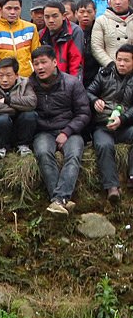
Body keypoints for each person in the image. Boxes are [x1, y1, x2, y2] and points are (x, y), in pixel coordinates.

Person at [28, 46, 90, 215]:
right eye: (36, 64)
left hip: (69, 129)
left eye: (43, 62)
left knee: (74, 155)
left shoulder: (71, 83)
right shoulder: (29, 84)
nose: (40, 67)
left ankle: (58, 199)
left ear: (54, 62)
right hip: (43, 131)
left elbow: (84, 113)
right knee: (42, 153)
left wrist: (67, 132)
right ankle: (61, 200)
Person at [87, 44, 133, 201]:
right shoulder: (104, 74)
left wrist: (123, 119)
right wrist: (94, 101)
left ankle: (132, 176)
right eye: (119, 60)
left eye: (126, 61)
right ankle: (111, 187)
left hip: (126, 124)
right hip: (103, 124)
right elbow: (88, 92)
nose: (121, 64)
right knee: (103, 145)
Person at [0, 58, 38, 158]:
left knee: (30, 115)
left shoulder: (25, 83)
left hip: (19, 126)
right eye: (1, 75)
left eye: (9, 75)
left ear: (16, 75)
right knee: (2, 119)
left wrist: (8, 100)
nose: (4, 79)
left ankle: (23, 146)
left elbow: (32, 102)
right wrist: (20, 108)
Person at [0, 0, 41, 79]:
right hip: (3, 80)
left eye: (16, 8)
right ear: (0, 9)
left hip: (28, 79)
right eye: (8, 8)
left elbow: (37, 55)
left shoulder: (31, 28)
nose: (12, 12)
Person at [40, 1, 85, 79]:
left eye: (55, 16)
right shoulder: (41, 35)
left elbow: (76, 63)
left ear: (64, 16)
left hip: (68, 81)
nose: (50, 20)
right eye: (47, 17)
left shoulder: (74, 32)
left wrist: (74, 85)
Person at [91, 0, 133, 69]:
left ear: (129, 0)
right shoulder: (101, 21)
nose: (117, 2)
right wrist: (110, 65)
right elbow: (96, 47)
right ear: (109, 2)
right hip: (109, 70)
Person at [75, 0, 100, 87]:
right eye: (82, 12)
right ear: (76, 13)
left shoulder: (100, 31)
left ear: (95, 12)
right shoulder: (71, 33)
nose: (85, 15)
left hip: (97, 76)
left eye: (89, 12)